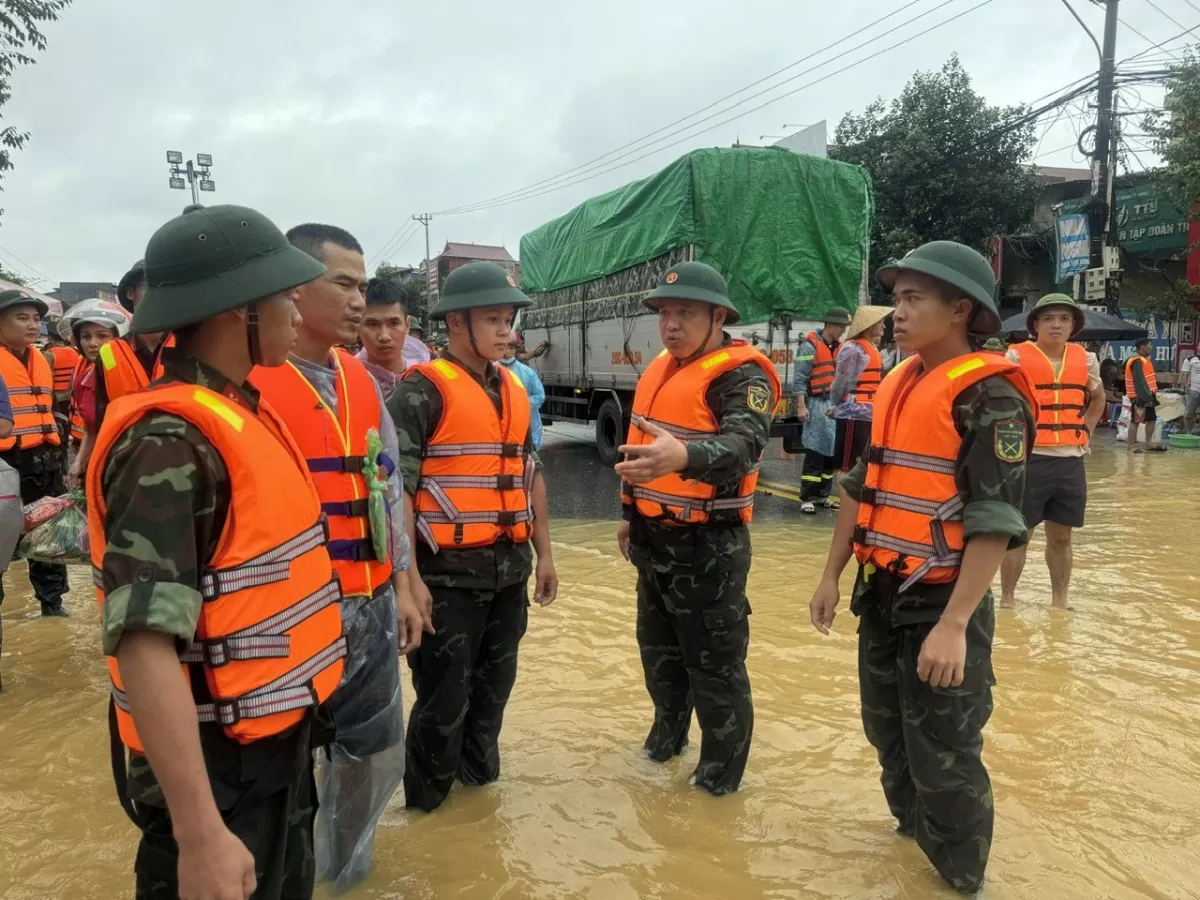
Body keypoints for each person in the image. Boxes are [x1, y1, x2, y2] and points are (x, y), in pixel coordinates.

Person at [87, 203, 345, 900]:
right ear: (238, 310)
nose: (298, 311)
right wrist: (199, 833)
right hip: (217, 778)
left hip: (269, 758)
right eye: (285, 296)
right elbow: (144, 640)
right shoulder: (169, 442)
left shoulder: (241, 410)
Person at [808, 241, 1037, 896]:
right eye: (897, 299)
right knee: (887, 735)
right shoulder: (900, 382)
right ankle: (914, 855)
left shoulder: (991, 400)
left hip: (941, 604)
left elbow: (994, 522)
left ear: (961, 308)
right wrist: (830, 574)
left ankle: (961, 880)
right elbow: (860, 485)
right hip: (880, 594)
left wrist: (958, 624)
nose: (897, 314)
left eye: (912, 300)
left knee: (948, 759)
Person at [250, 222, 424, 891]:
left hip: (369, 605)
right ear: (295, 286)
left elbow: (388, 488)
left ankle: (346, 878)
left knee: (371, 753)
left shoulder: (361, 380)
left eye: (362, 285)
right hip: (288, 616)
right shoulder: (255, 380)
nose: (359, 302)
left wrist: (404, 585)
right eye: (343, 284)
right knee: (284, 770)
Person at [388, 260, 558, 813]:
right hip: (447, 581)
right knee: (442, 708)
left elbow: (528, 473)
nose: (506, 330)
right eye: (493, 319)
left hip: (509, 575)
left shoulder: (511, 387)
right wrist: (406, 584)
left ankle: (478, 816)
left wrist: (546, 555)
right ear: (455, 323)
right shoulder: (420, 391)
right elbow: (396, 496)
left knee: (491, 701)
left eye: (508, 319)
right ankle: (427, 817)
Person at [615, 261, 781, 796]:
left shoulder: (743, 375)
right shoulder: (662, 367)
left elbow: (742, 446)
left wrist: (682, 455)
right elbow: (639, 454)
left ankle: (717, 783)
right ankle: (666, 742)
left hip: (708, 546)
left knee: (715, 670)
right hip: (652, 540)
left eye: (686, 312)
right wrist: (629, 516)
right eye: (665, 313)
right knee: (658, 657)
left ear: (718, 316)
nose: (671, 324)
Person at [1000, 294, 1105, 611]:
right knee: (1019, 535)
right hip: (1029, 460)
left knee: (1062, 537)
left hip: (1071, 462)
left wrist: (1086, 431)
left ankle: (1060, 603)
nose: (1056, 324)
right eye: (1048, 319)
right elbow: (1001, 403)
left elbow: (1097, 400)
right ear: (1035, 325)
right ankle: (1007, 601)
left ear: (1073, 325)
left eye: (1064, 319)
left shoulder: (1085, 359)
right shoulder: (1015, 356)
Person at [0, 288, 68, 618]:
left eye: (36, 319)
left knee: (49, 537)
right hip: (6, 464)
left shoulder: (42, 359)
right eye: (22, 317)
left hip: (45, 462)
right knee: (5, 542)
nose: (32, 325)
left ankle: (52, 606)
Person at [57, 299, 131, 490]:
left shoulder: (131, 374)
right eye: (86, 337)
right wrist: (78, 463)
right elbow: (92, 429)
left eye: (102, 336)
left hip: (128, 465)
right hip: (98, 464)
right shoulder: (84, 378)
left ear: (118, 337)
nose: (93, 343)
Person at [94, 261, 175, 431]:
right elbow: (104, 418)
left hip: (185, 451)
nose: (157, 292)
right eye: (148, 285)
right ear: (131, 293)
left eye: (165, 285)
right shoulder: (109, 353)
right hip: (129, 452)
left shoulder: (192, 344)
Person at [792, 307, 852, 514]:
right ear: (829, 325)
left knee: (831, 453)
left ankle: (823, 495)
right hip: (817, 403)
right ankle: (807, 497)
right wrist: (801, 405)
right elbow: (800, 379)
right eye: (840, 326)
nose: (843, 330)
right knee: (815, 451)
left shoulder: (841, 348)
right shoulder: (809, 347)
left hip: (835, 405)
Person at [828, 305, 892, 482]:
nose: (884, 327)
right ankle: (844, 507)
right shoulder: (853, 349)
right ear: (870, 325)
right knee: (847, 466)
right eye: (880, 323)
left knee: (860, 464)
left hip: (866, 412)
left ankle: (854, 506)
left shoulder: (869, 348)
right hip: (853, 413)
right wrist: (837, 405)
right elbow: (841, 383)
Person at [357, 277, 412, 393]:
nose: (384, 336)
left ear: (407, 326)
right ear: (358, 326)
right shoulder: (343, 377)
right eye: (372, 324)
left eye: (393, 323)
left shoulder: (425, 377)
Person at [498, 335, 547, 450]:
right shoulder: (491, 370)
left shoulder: (526, 372)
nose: (507, 352)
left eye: (511, 348)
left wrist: (520, 404)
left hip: (525, 425)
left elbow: (540, 395)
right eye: (504, 347)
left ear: (515, 350)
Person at [1125, 338, 1163, 452]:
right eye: (1150, 345)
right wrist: (1142, 397)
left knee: (1152, 419)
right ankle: (1131, 446)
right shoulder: (1137, 361)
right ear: (1143, 347)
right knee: (1136, 421)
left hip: (1149, 396)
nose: (1152, 348)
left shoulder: (1144, 360)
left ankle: (1148, 443)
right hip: (1140, 397)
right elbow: (1139, 381)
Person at [44, 332, 80, 438]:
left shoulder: (49, 353)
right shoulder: (74, 351)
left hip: (57, 394)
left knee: (59, 418)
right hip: (72, 393)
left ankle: (61, 436)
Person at [1181, 352, 1200, 435]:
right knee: (1189, 413)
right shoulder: (1189, 359)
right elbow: (1185, 374)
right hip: (1194, 390)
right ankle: (1188, 433)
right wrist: (1187, 387)